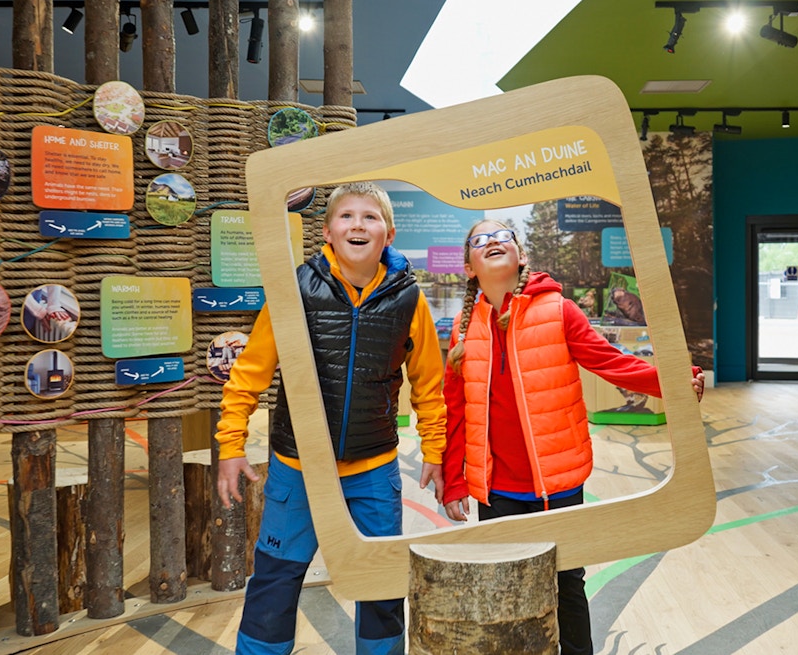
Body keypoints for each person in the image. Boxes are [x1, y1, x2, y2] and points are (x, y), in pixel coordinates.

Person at [440, 219, 704, 655]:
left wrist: (676, 381)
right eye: (479, 240)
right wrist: (454, 480)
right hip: (497, 489)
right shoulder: (464, 330)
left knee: (567, 585)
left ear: (521, 255)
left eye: (502, 235)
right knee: (506, 589)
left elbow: (610, 362)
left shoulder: (558, 310)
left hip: (558, 483)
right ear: (469, 266)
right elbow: (457, 410)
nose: (491, 242)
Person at [216, 181, 447, 655]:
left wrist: (436, 450)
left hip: (373, 471)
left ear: (389, 233)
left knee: (380, 584)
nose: (358, 224)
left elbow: (429, 385)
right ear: (326, 230)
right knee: (276, 578)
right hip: (297, 467)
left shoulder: (410, 300)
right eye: (347, 216)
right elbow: (249, 373)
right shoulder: (294, 288)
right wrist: (231, 446)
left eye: (370, 217)